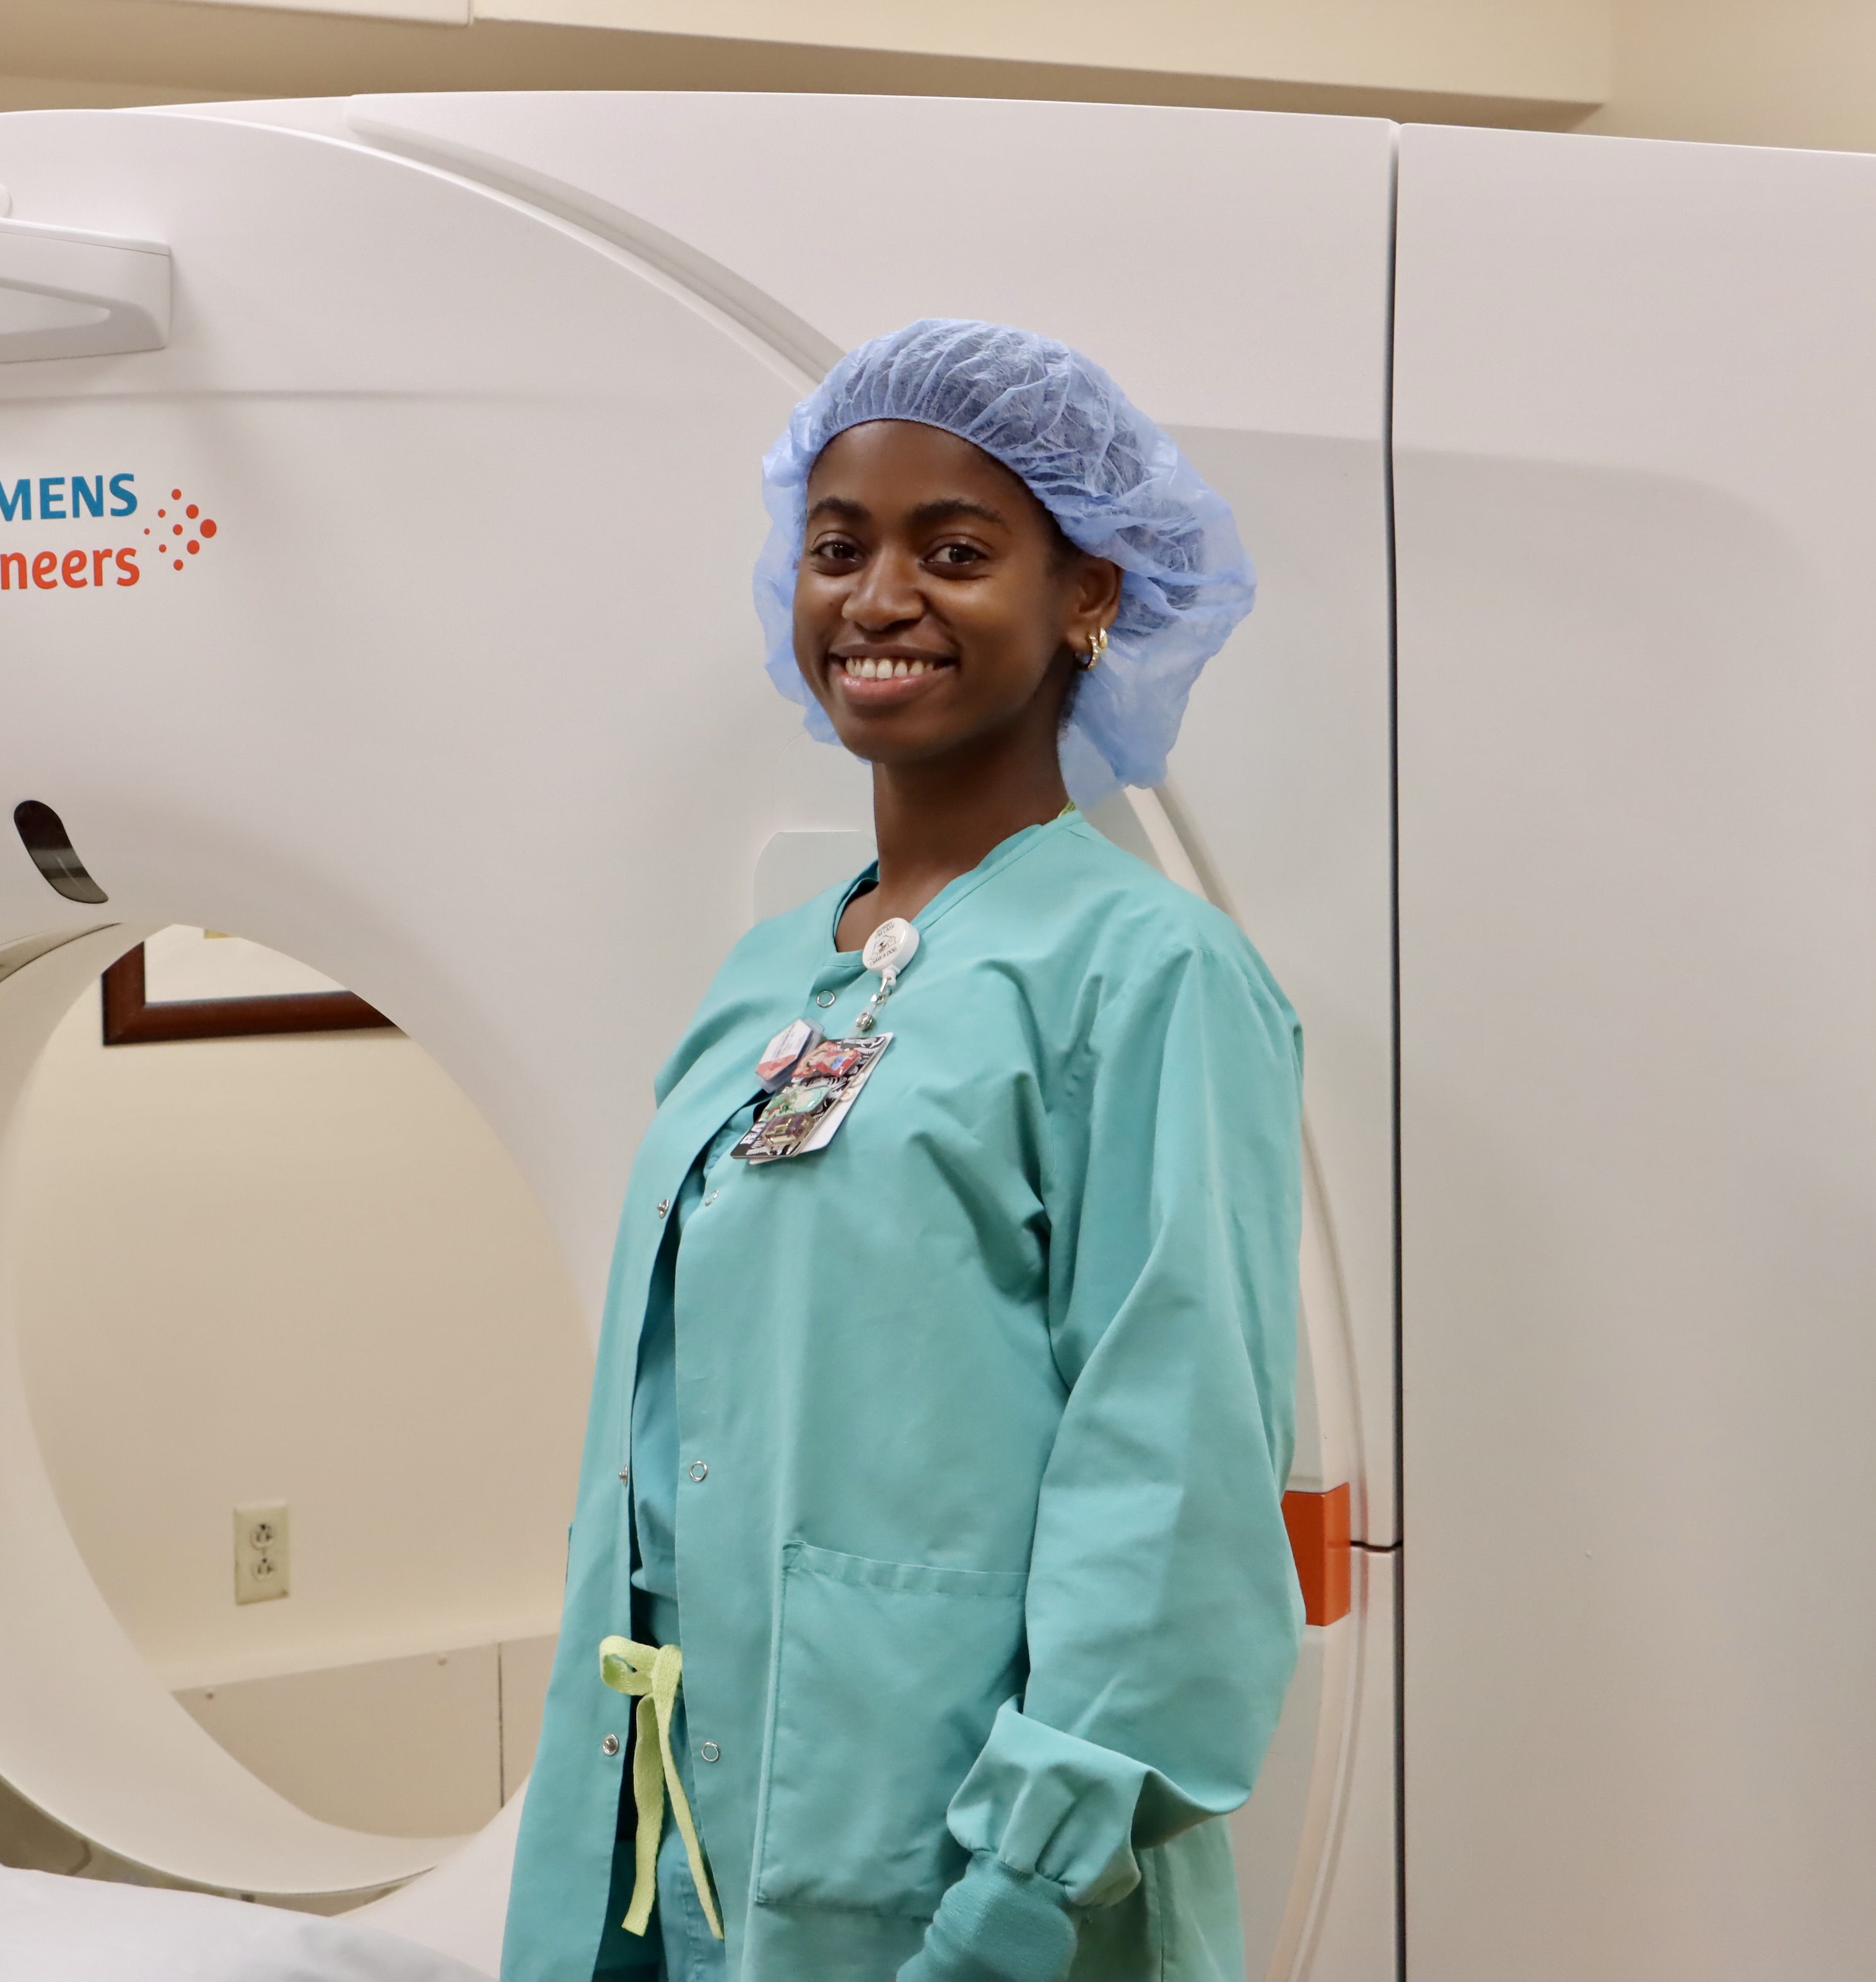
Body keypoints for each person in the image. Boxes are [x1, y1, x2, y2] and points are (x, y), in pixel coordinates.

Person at [501, 320, 1304, 1982]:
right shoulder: (775, 971)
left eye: (956, 551)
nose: (876, 599)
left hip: (972, 1869)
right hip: (689, 1825)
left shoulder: (1149, 974)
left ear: (1089, 594)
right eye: (836, 548)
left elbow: (1172, 1462)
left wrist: (1021, 1890)